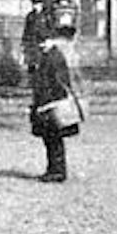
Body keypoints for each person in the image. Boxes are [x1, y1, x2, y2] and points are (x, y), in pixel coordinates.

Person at [28, 14, 82, 183]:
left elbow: (57, 81)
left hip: (52, 103)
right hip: (49, 102)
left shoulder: (53, 56)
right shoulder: (50, 55)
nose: (40, 45)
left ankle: (57, 171)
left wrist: (45, 102)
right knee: (51, 139)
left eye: (42, 41)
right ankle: (54, 169)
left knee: (53, 139)